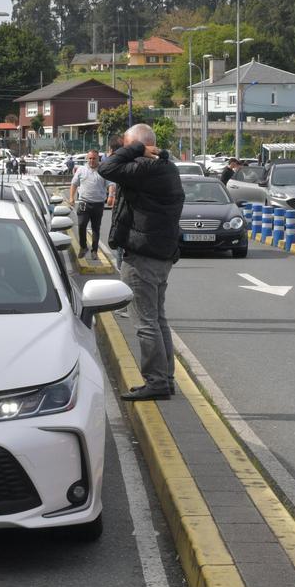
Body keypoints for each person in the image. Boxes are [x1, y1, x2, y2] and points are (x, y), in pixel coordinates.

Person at [98, 124, 185, 401]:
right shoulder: (166, 168)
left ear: (141, 146)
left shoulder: (145, 169)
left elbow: (107, 169)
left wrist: (134, 148)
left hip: (143, 256)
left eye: (128, 146)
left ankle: (157, 381)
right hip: (161, 254)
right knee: (158, 320)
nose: (124, 151)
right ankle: (166, 379)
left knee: (145, 321)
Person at [68, 150, 107, 258]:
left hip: (98, 204)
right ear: (87, 159)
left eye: (94, 158)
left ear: (98, 159)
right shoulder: (81, 170)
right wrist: (71, 197)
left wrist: (112, 194)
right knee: (81, 225)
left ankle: (94, 250)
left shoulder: (103, 170)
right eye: (89, 158)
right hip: (84, 203)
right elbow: (74, 184)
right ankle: (83, 247)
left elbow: (110, 183)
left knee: (96, 228)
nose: (91, 160)